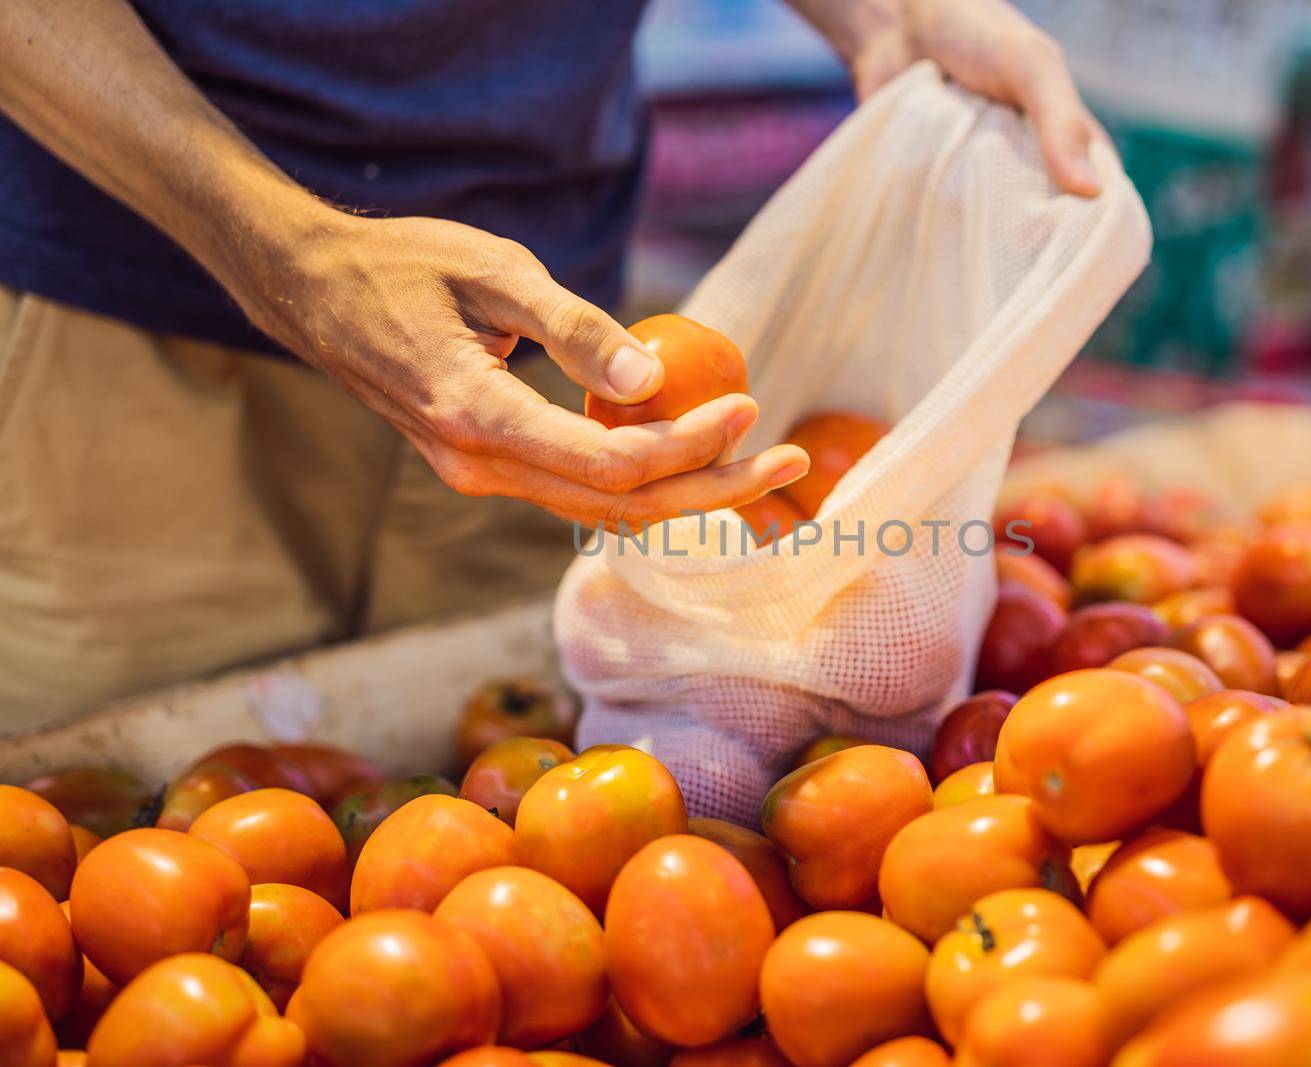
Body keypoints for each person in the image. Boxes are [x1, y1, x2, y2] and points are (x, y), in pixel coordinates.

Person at [0, 0, 1106, 730]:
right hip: (123, 328)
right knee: (100, 832)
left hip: (548, 356)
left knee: (484, 827)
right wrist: (286, 248)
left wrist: (891, 14)